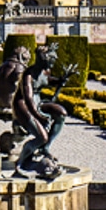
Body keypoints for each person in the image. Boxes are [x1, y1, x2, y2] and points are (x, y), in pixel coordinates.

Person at [12, 44, 78, 179]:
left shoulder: (44, 72)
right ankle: (20, 164)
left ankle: (45, 148)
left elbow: (48, 80)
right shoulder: (28, 76)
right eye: (50, 61)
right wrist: (40, 116)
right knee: (41, 137)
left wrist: (60, 80)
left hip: (37, 102)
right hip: (23, 106)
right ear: (42, 60)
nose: (51, 66)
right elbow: (28, 99)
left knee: (61, 114)